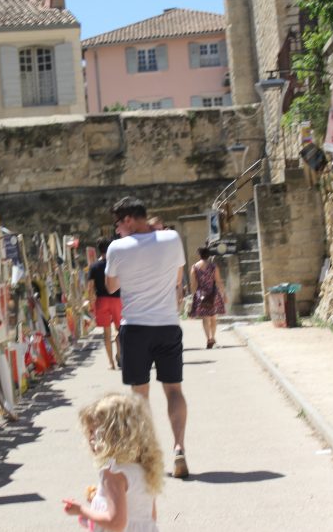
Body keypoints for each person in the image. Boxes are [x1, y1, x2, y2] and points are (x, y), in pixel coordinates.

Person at [105, 196, 189, 478]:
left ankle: (147, 452)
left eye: (119, 223)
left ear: (128, 219)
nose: (118, 230)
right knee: (174, 390)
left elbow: (112, 286)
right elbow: (178, 279)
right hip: (167, 324)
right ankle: (179, 448)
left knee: (139, 396)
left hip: (135, 327)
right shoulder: (172, 238)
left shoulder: (117, 248)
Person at [63, 393, 163, 532]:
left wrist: (81, 510)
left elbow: (116, 523)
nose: (90, 438)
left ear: (112, 435)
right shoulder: (144, 468)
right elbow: (149, 516)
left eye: (94, 432)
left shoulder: (113, 473)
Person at [87, 238, 122, 370]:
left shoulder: (94, 266)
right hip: (117, 299)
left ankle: (110, 363)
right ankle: (119, 354)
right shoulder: (117, 264)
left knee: (106, 333)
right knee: (120, 330)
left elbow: (90, 287)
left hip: (101, 300)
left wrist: (91, 304)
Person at [189, 247, 227, 348]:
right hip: (213, 293)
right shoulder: (213, 266)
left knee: (205, 318)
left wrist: (194, 296)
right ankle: (213, 337)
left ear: (199, 255)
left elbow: (193, 284)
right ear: (208, 255)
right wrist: (224, 294)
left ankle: (208, 339)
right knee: (213, 317)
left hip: (201, 294)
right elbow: (218, 281)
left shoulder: (194, 267)